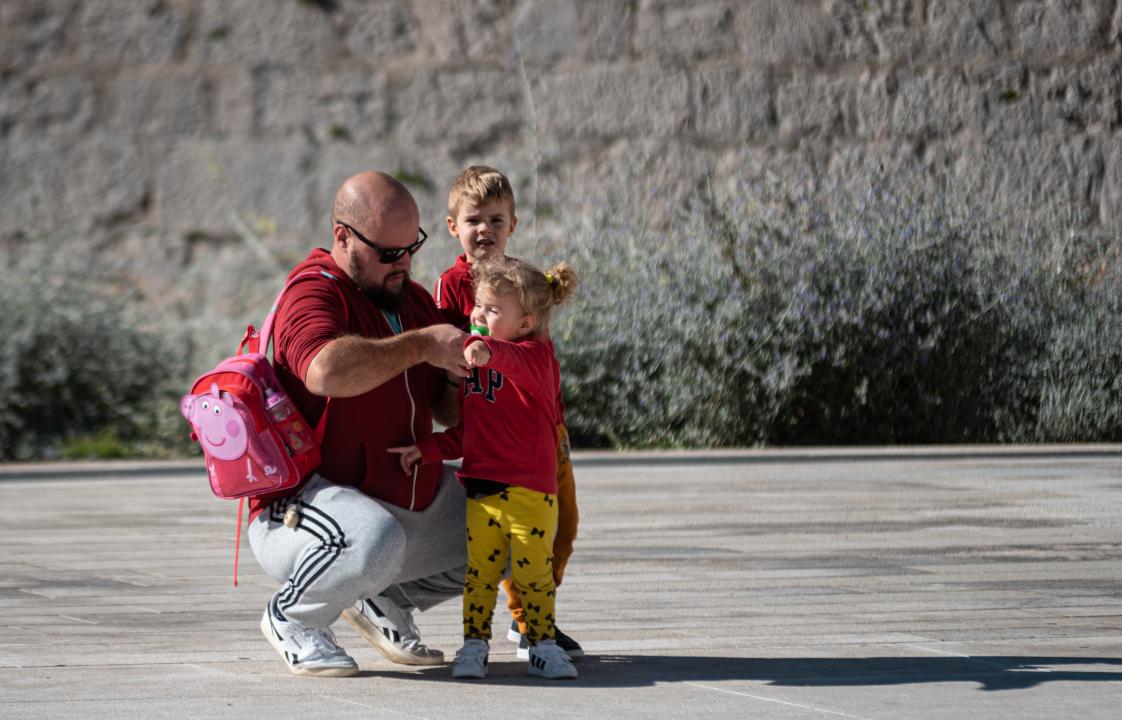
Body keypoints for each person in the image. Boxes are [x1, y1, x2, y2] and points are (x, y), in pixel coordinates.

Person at [248, 171, 471, 677]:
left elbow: (445, 414)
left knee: (513, 517)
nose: (404, 264)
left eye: (411, 247)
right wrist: (422, 345)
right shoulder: (311, 292)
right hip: (301, 511)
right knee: (373, 541)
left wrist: (460, 368)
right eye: (388, 252)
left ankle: (378, 597)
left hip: (391, 502)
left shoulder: (408, 299)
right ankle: (293, 617)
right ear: (343, 236)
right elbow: (325, 370)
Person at [391, 256, 580, 679]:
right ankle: (474, 646)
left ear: (526, 323)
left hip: (531, 494)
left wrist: (485, 349)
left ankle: (543, 645)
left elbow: (511, 360)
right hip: (483, 491)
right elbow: (467, 433)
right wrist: (427, 448)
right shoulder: (478, 372)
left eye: (492, 310)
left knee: (534, 574)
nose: (478, 315)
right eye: (478, 305)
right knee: (480, 576)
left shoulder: (538, 359)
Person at [433, 166, 584, 660]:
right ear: (453, 225)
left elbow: (542, 357)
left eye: (496, 220)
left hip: (540, 428)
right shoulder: (450, 286)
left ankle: (537, 617)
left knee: (558, 525)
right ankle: (524, 623)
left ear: (513, 225)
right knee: (504, 530)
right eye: (473, 219)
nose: (485, 231)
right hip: (490, 430)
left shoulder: (522, 280)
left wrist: (556, 423)